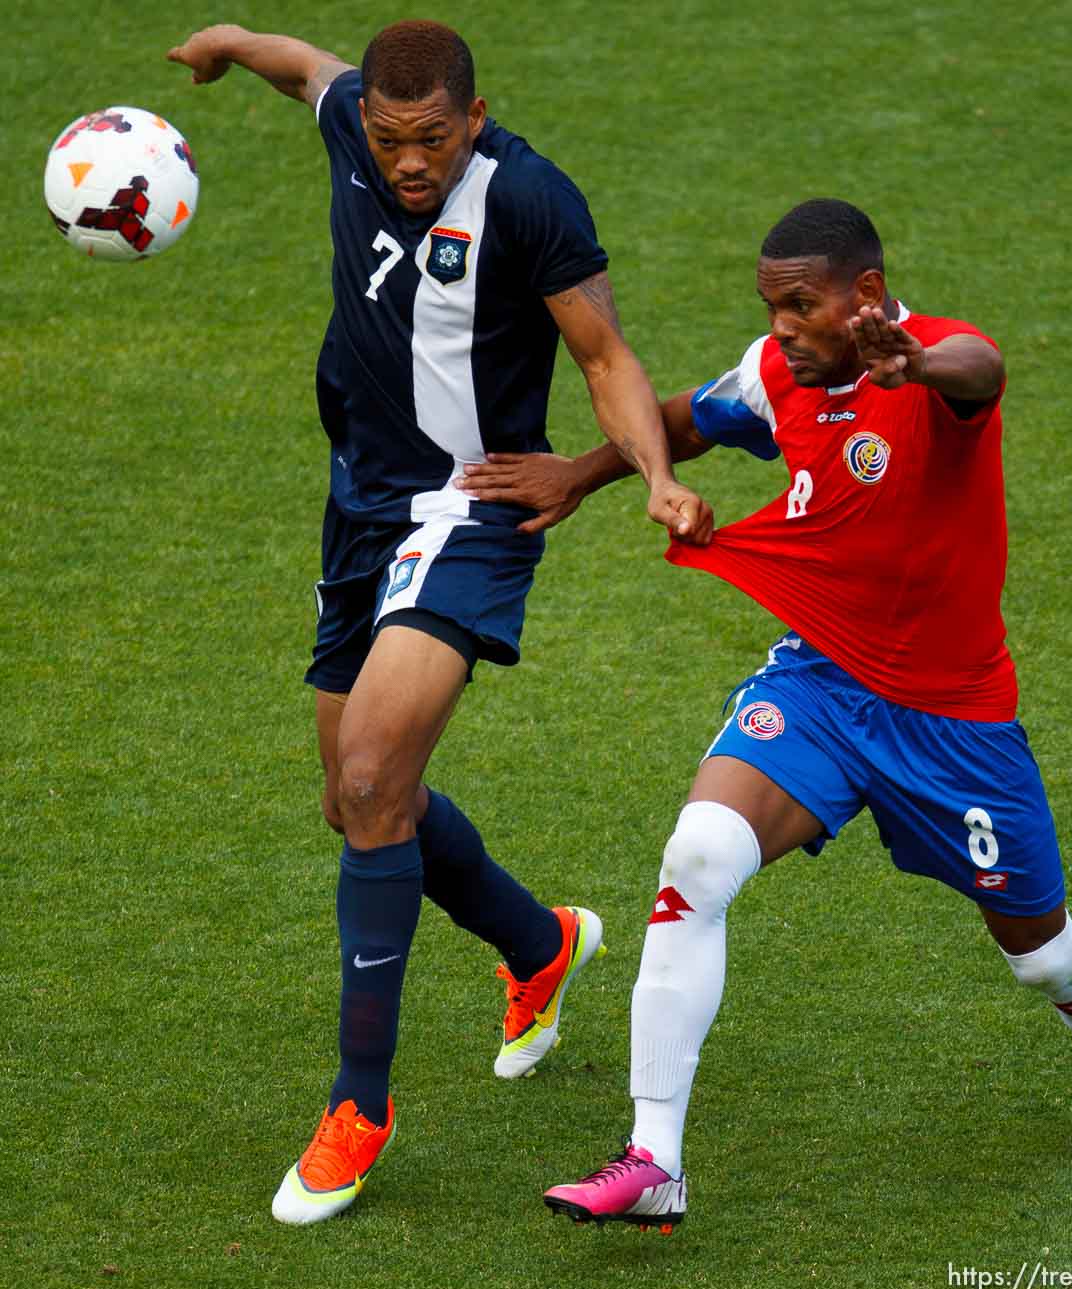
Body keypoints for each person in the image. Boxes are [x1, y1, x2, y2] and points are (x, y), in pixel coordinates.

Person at [461, 198, 1072, 1231]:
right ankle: (654, 1155)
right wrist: (598, 469)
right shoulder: (781, 372)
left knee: (1041, 953)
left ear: (866, 296)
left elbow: (982, 368)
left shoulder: (934, 365)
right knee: (696, 858)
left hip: (953, 723)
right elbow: (691, 419)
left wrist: (913, 368)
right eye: (770, 305)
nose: (783, 326)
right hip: (823, 687)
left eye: (800, 305)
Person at [166, 20, 712, 1226]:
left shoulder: (527, 199)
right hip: (358, 504)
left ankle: (359, 1105)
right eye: (389, 139)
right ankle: (539, 946)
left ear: (473, 117)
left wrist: (654, 475)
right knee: (362, 801)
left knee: (369, 778)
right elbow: (307, 69)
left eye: (429, 140)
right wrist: (228, 42)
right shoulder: (351, 125)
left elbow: (605, 353)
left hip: (470, 509)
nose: (407, 163)